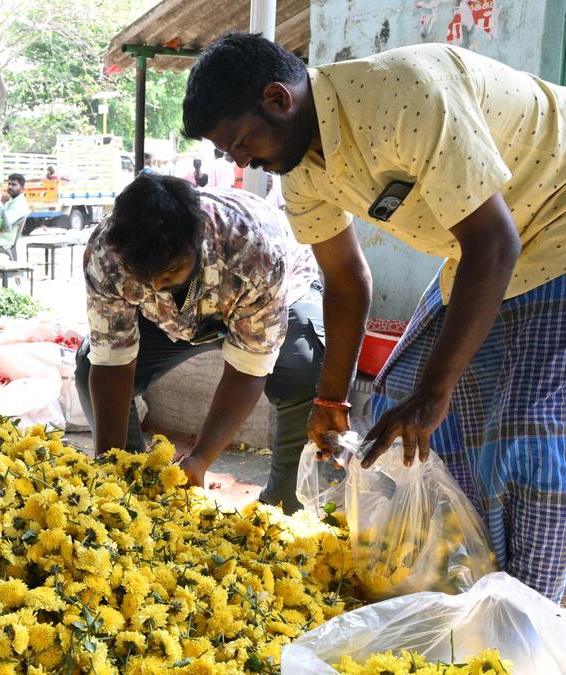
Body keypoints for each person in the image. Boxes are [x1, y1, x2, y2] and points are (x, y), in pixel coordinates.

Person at [181, 33, 566, 602]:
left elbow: (494, 245)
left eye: (240, 142)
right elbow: (345, 281)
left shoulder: (404, 94)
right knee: (396, 408)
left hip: (550, 223)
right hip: (490, 248)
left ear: (277, 98)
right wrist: (331, 399)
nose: (240, 161)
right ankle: (459, 582)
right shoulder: (302, 174)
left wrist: (437, 391)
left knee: (529, 430)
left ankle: (532, 612)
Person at [77, 172, 324, 512]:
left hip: (273, 292)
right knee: (88, 363)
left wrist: (199, 460)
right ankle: (131, 480)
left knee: (304, 369)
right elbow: (112, 360)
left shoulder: (254, 252)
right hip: (169, 317)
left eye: (169, 272)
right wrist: (106, 471)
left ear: (198, 240)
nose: (157, 284)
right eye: (145, 276)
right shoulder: (107, 256)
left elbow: (247, 370)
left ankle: (283, 500)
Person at [0, 172, 31, 251]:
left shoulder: (19, 205)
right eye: (9, 184)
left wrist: (2, 203)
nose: (10, 187)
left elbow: (3, 225)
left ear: (22, 188)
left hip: (1, 241)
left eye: (14, 185)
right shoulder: (12, 200)